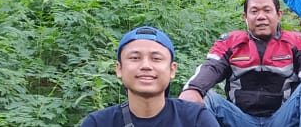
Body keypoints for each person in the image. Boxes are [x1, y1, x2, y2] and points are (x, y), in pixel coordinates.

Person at [179, 0, 301, 127]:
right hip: (238, 119)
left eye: (267, 10)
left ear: (279, 15)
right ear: (245, 17)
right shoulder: (229, 41)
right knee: (203, 96)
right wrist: (194, 89)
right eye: (254, 11)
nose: (261, 17)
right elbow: (212, 67)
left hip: (282, 119)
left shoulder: (297, 41)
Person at [80, 26, 219, 127]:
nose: (146, 66)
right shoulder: (98, 123)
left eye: (156, 59)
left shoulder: (196, 119)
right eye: (135, 58)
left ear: (172, 70)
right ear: (119, 69)